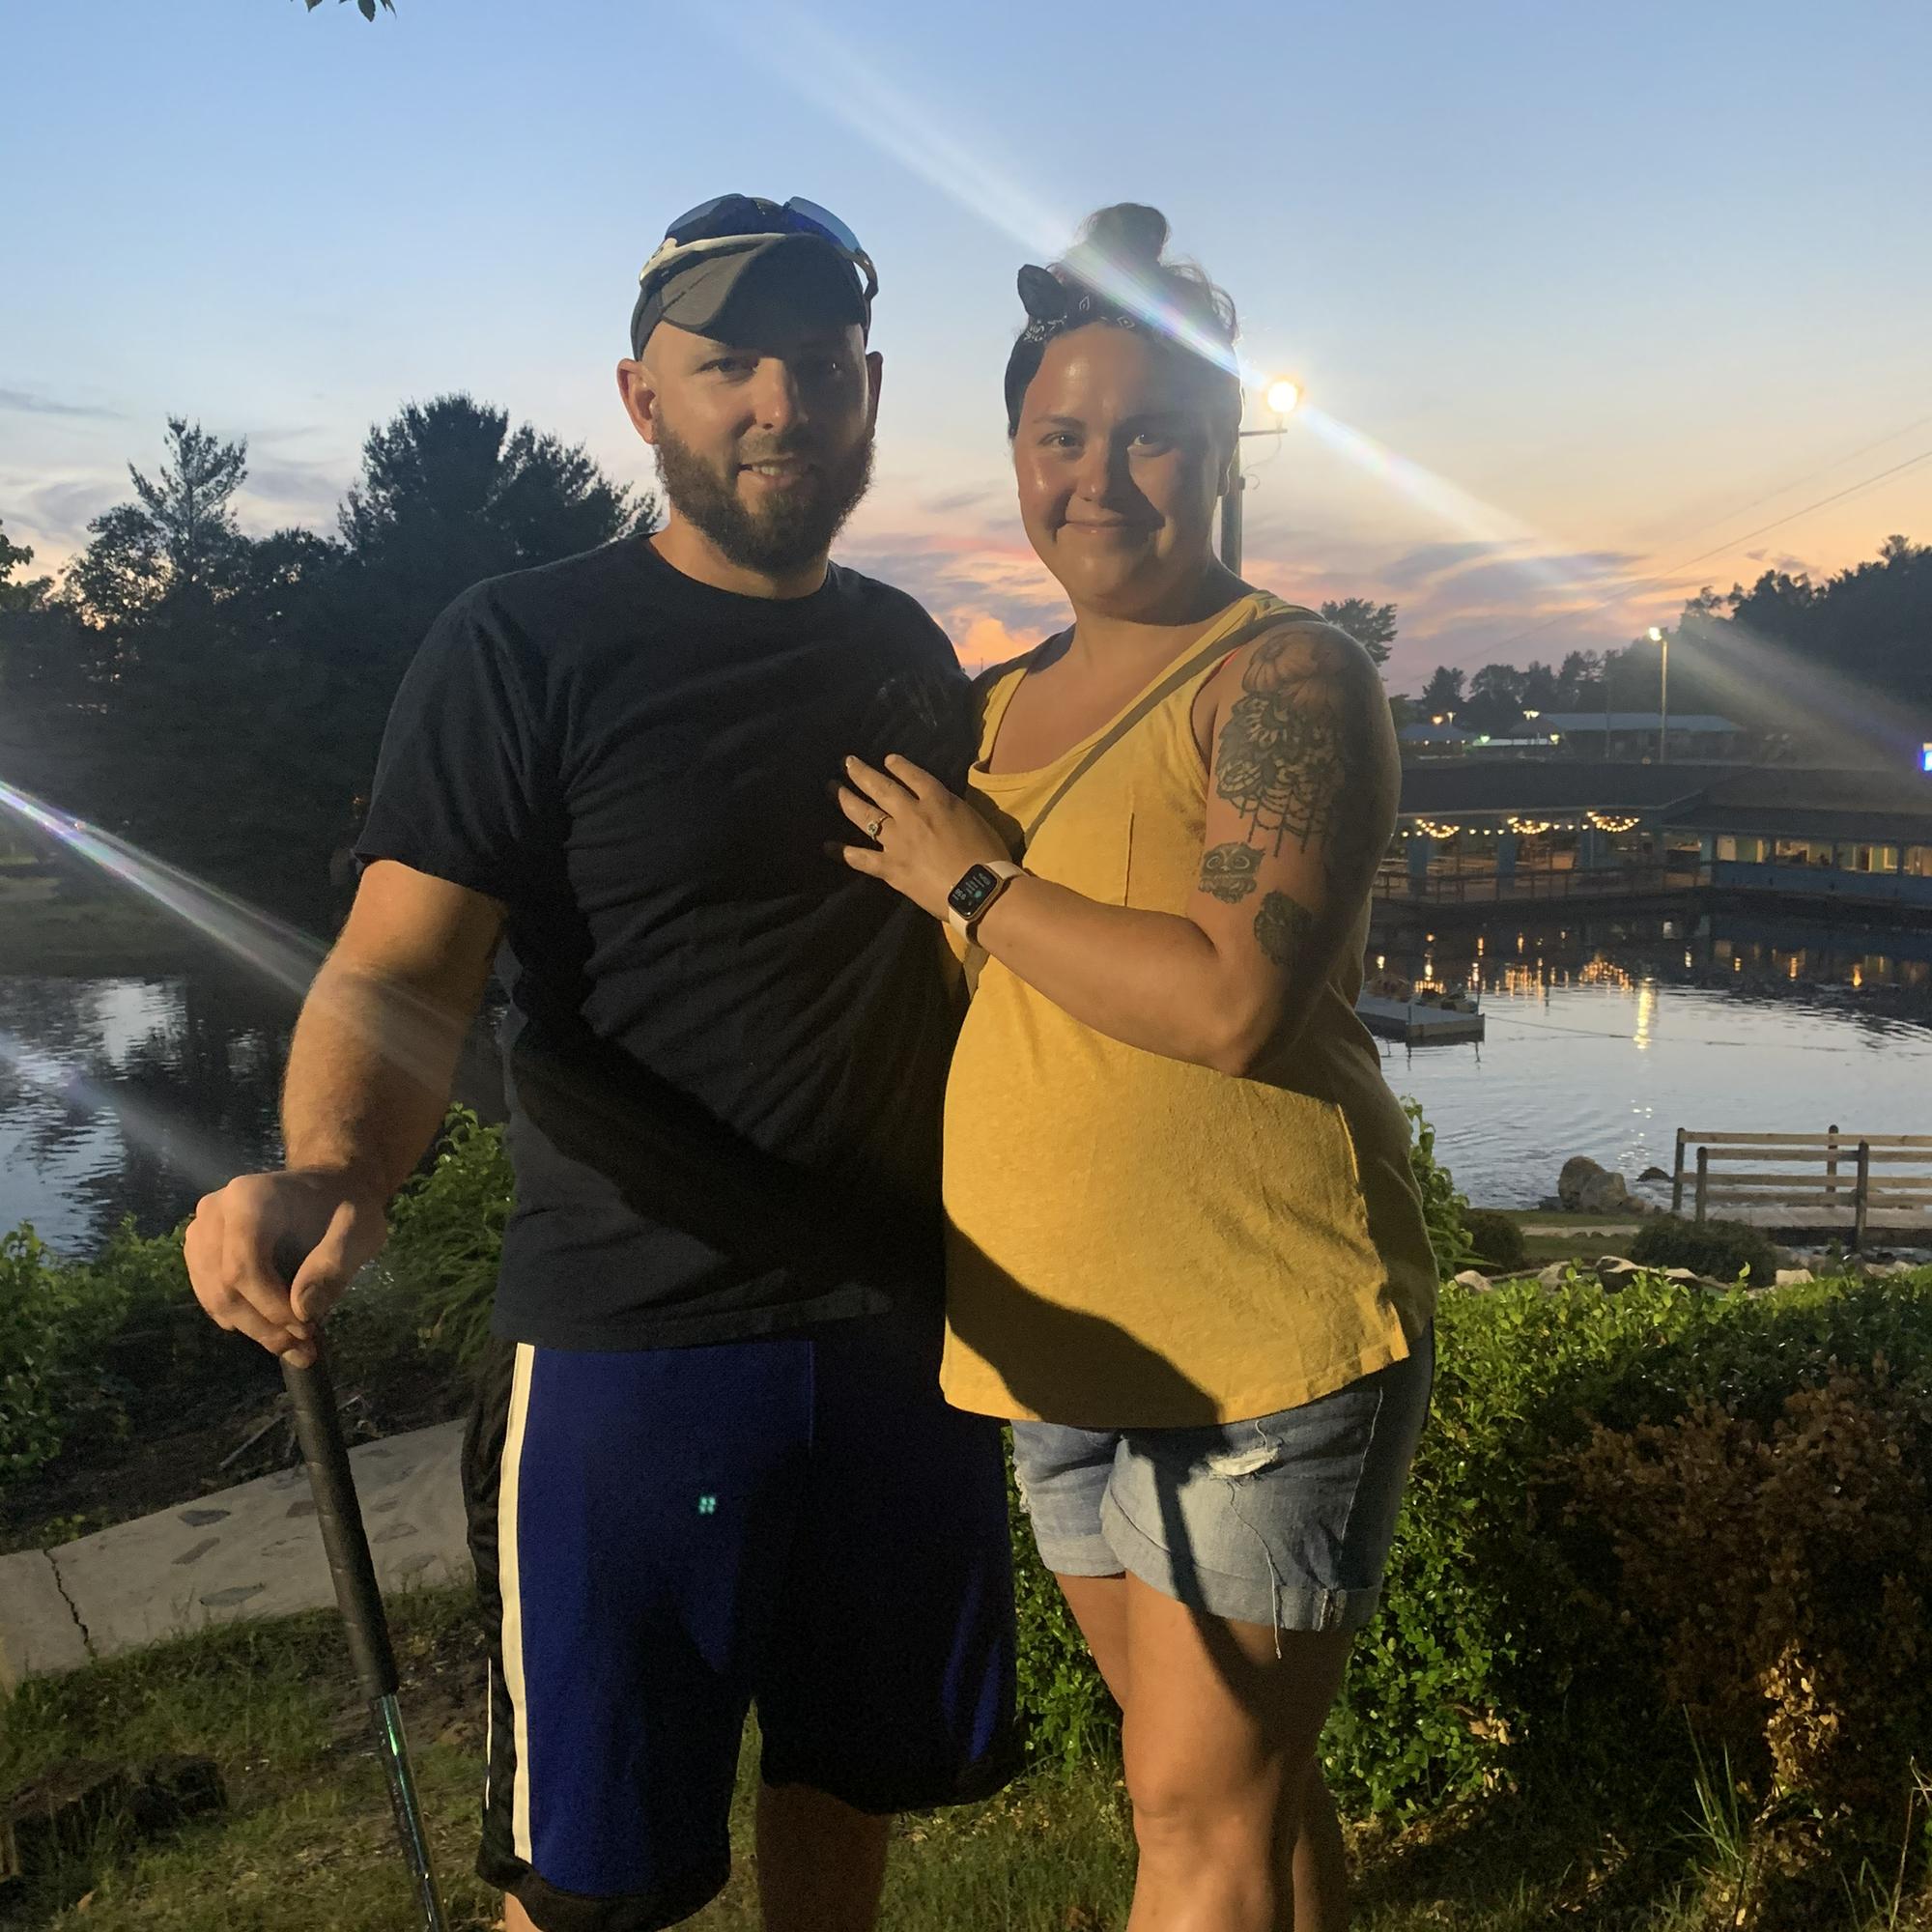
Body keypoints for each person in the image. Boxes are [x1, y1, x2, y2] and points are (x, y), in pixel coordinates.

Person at [185, 193, 1018, 1932]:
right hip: (633, 1355)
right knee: (589, 1890)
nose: (782, 403)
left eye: (822, 365)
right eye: (731, 365)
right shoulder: (523, 645)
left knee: (847, 1787)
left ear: (871, 392)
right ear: (643, 400)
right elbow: (400, 970)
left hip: (898, 1340)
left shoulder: (904, 653)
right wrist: (332, 1168)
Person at [838, 204, 1437, 1932]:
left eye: (1152, 436)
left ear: (1225, 452)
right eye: (1062, 437)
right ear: (1016, 457)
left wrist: (976, 881)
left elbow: (1233, 1001)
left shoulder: (1287, 678)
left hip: (1259, 1338)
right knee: (1238, 1789)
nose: (1099, 479)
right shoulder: (986, 708)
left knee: (1191, 1814)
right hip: (1052, 1347)